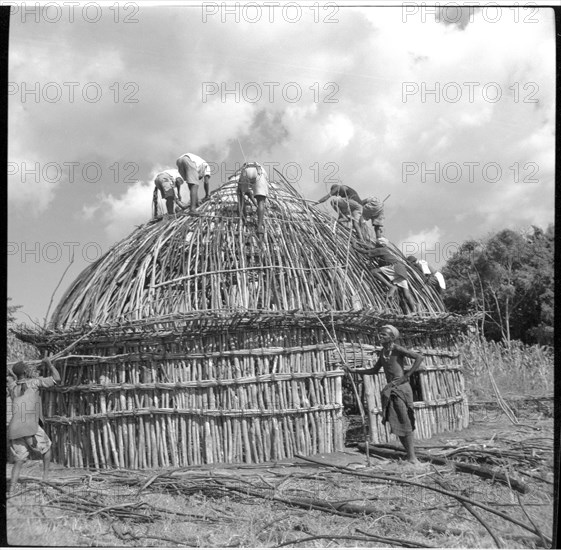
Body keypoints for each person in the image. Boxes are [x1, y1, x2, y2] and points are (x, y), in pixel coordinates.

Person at [346, 324, 424, 466]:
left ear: (392, 337)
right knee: (396, 422)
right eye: (380, 334)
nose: (380, 337)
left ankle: (413, 458)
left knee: (404, 421)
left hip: (401, 389)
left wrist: (407, 375)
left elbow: (419, 357)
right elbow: (374, 370)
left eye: (383, 335)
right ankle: (409, 456)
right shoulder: (383, 352)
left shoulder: (397, 349)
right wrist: (354, 371)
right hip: (390, 389)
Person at [7, 357, 61, 492]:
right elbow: (57, 378)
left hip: (14, 429)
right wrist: (49, 364)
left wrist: (16, 372)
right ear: (25, 372)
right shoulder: (34, 383)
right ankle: (45, 477)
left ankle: (12, 488)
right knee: (47, 449)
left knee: (19, 460)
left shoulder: (12, 387)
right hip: (30, 426)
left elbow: (14, 379)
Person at [356, 240, 417, 314]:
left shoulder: (380, 249)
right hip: (402, 270)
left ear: (379, 244)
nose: (375, 245)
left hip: (395, 267)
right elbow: (370, 248)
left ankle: (390, 286)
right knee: (406, 294)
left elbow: (365, 252)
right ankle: (415, 311)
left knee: (373, 272)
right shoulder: (384, 249)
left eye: (376, 244)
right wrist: (359, 243)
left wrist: (354, 245)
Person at [235, 161, 269, 237]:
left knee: (240, 194)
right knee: (261, 201)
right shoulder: (264, 173)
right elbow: (253, 194)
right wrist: (256, 204)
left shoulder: (246, 167)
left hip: (245, 171)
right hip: (259, 173)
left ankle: (243, 218)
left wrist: (250, 196)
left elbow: (248, 192)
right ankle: (259, 227)